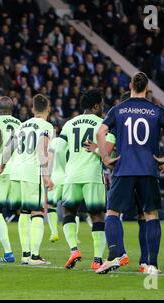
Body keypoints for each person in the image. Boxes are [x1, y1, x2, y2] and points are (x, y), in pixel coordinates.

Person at [96, 72, 164, 274]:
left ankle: (115, 256)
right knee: (150, 215)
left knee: (112, 213)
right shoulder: (156, 110)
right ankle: (152, 264)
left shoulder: (118, 109)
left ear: (131, 85)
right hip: (148, 169)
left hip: (124, 168)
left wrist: (106, 158)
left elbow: (100, 132)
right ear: (147, 87)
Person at [54, 89, 109, 270]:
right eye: (101, 104)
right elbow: (107, 152)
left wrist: (64, 169)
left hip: (72, 175)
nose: (102, 107)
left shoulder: (70, 124)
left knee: (69, 212)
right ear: (95, 106)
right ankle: (97, 259)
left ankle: (74, 250)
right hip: (92, 174)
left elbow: (60, 150)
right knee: (97, 215)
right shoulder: (102, 123)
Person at [1, 94, 54, 265]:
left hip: (16, 171)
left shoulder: (22, 125)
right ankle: (35, 256)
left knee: (24, 212)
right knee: (37, 211)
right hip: (32, 171)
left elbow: (9, 147)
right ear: (48, 109)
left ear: (32, 109)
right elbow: (42, 149)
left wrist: (1, 165)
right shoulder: (47, 126)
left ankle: (25, 254)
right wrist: (46, 175)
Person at [0, 96, 21, 263]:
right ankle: (29, 253)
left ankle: (8, 253)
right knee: (24, 212)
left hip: (0, 169)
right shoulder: (20, 123)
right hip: (19, 171)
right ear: (12, 108)